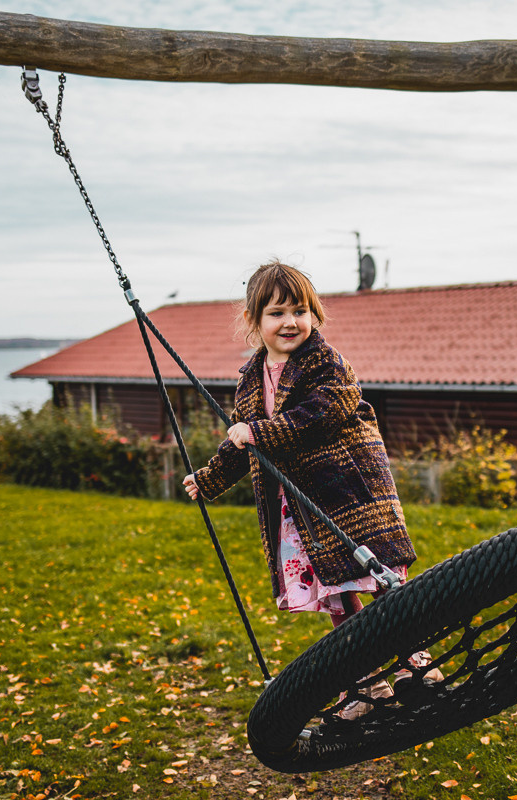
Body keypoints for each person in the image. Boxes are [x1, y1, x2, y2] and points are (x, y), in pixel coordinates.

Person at [183, 261, 439, 718]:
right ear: (254, 321)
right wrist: (210, 478)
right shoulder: (249, 379)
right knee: (337, 590)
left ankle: (416, 664)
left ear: (314, 314)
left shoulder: (327, 363)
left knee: (381, 578)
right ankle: (367, 681)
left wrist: (258, 434)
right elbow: (244, 444)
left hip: (349, 492)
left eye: (300, 311)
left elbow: (321, 414)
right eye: (277, 313)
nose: (290, 322)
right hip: (298, 502)